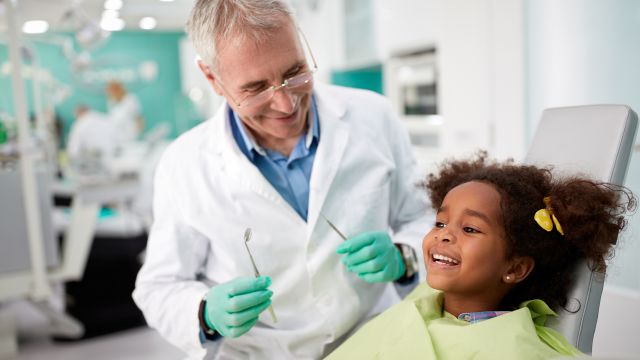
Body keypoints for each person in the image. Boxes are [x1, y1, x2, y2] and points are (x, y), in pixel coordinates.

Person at [132, 0, 428, 358]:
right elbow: (159, 286)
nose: (286, 105)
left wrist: (405, 256)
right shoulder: (185, 164)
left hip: (371, 338)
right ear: (213, 78)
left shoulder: (373, 116)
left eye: (295, 72)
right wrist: (205, 313)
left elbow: (421, 217)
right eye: (256, 88)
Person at [326, 152, 635, 359]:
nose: (444, 234)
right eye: (440, 222)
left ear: (515, 268)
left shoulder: (512, 348)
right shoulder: (421, 303)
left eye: (471, 229)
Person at [105, 80, 143, 144]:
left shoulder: (130, 99)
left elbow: (139, 118)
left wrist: (137, 133)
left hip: (130, 137)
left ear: (118, 89)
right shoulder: (111, 102)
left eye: (112, 91)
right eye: (109, 92)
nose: (110, 94)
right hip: (116, 138)